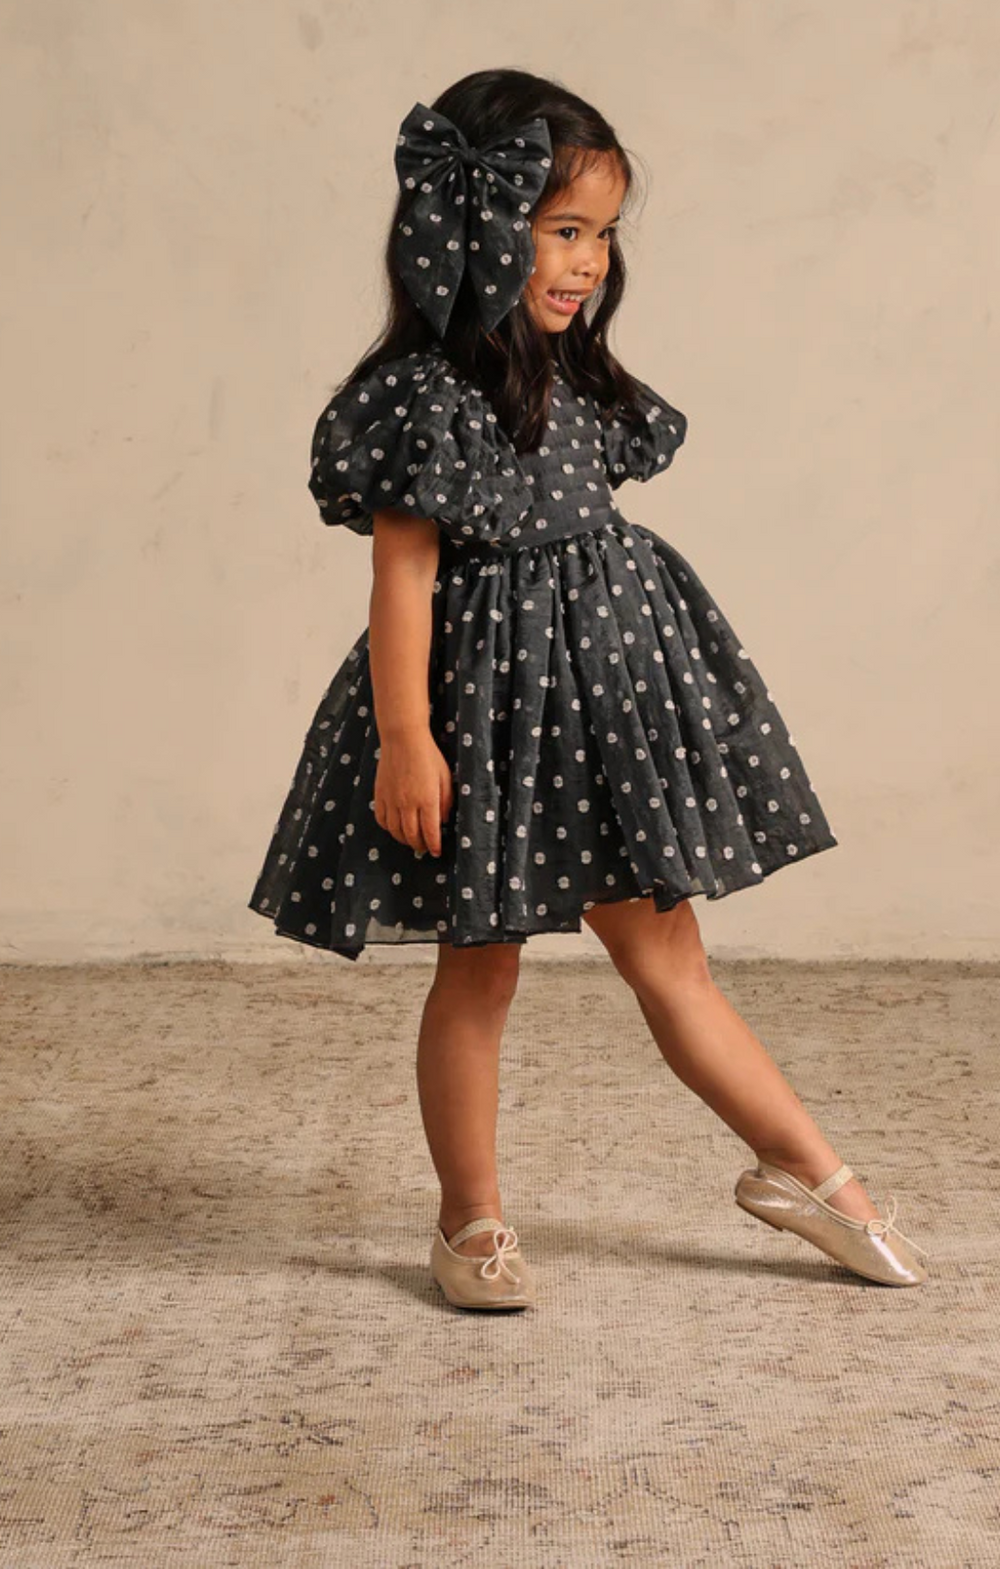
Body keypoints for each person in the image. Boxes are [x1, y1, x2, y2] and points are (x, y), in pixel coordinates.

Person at [248, 68, 928, 1308]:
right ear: (471, 230)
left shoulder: (576, 383)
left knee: (672, 960)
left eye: (603, 235)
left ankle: (812, 1173)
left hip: (606, 714)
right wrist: (408, 735)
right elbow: (402, 579)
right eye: (563, 231)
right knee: (481, 967)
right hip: (487, 721)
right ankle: (471, 1220)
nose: (588, 263)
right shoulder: (424, 399)